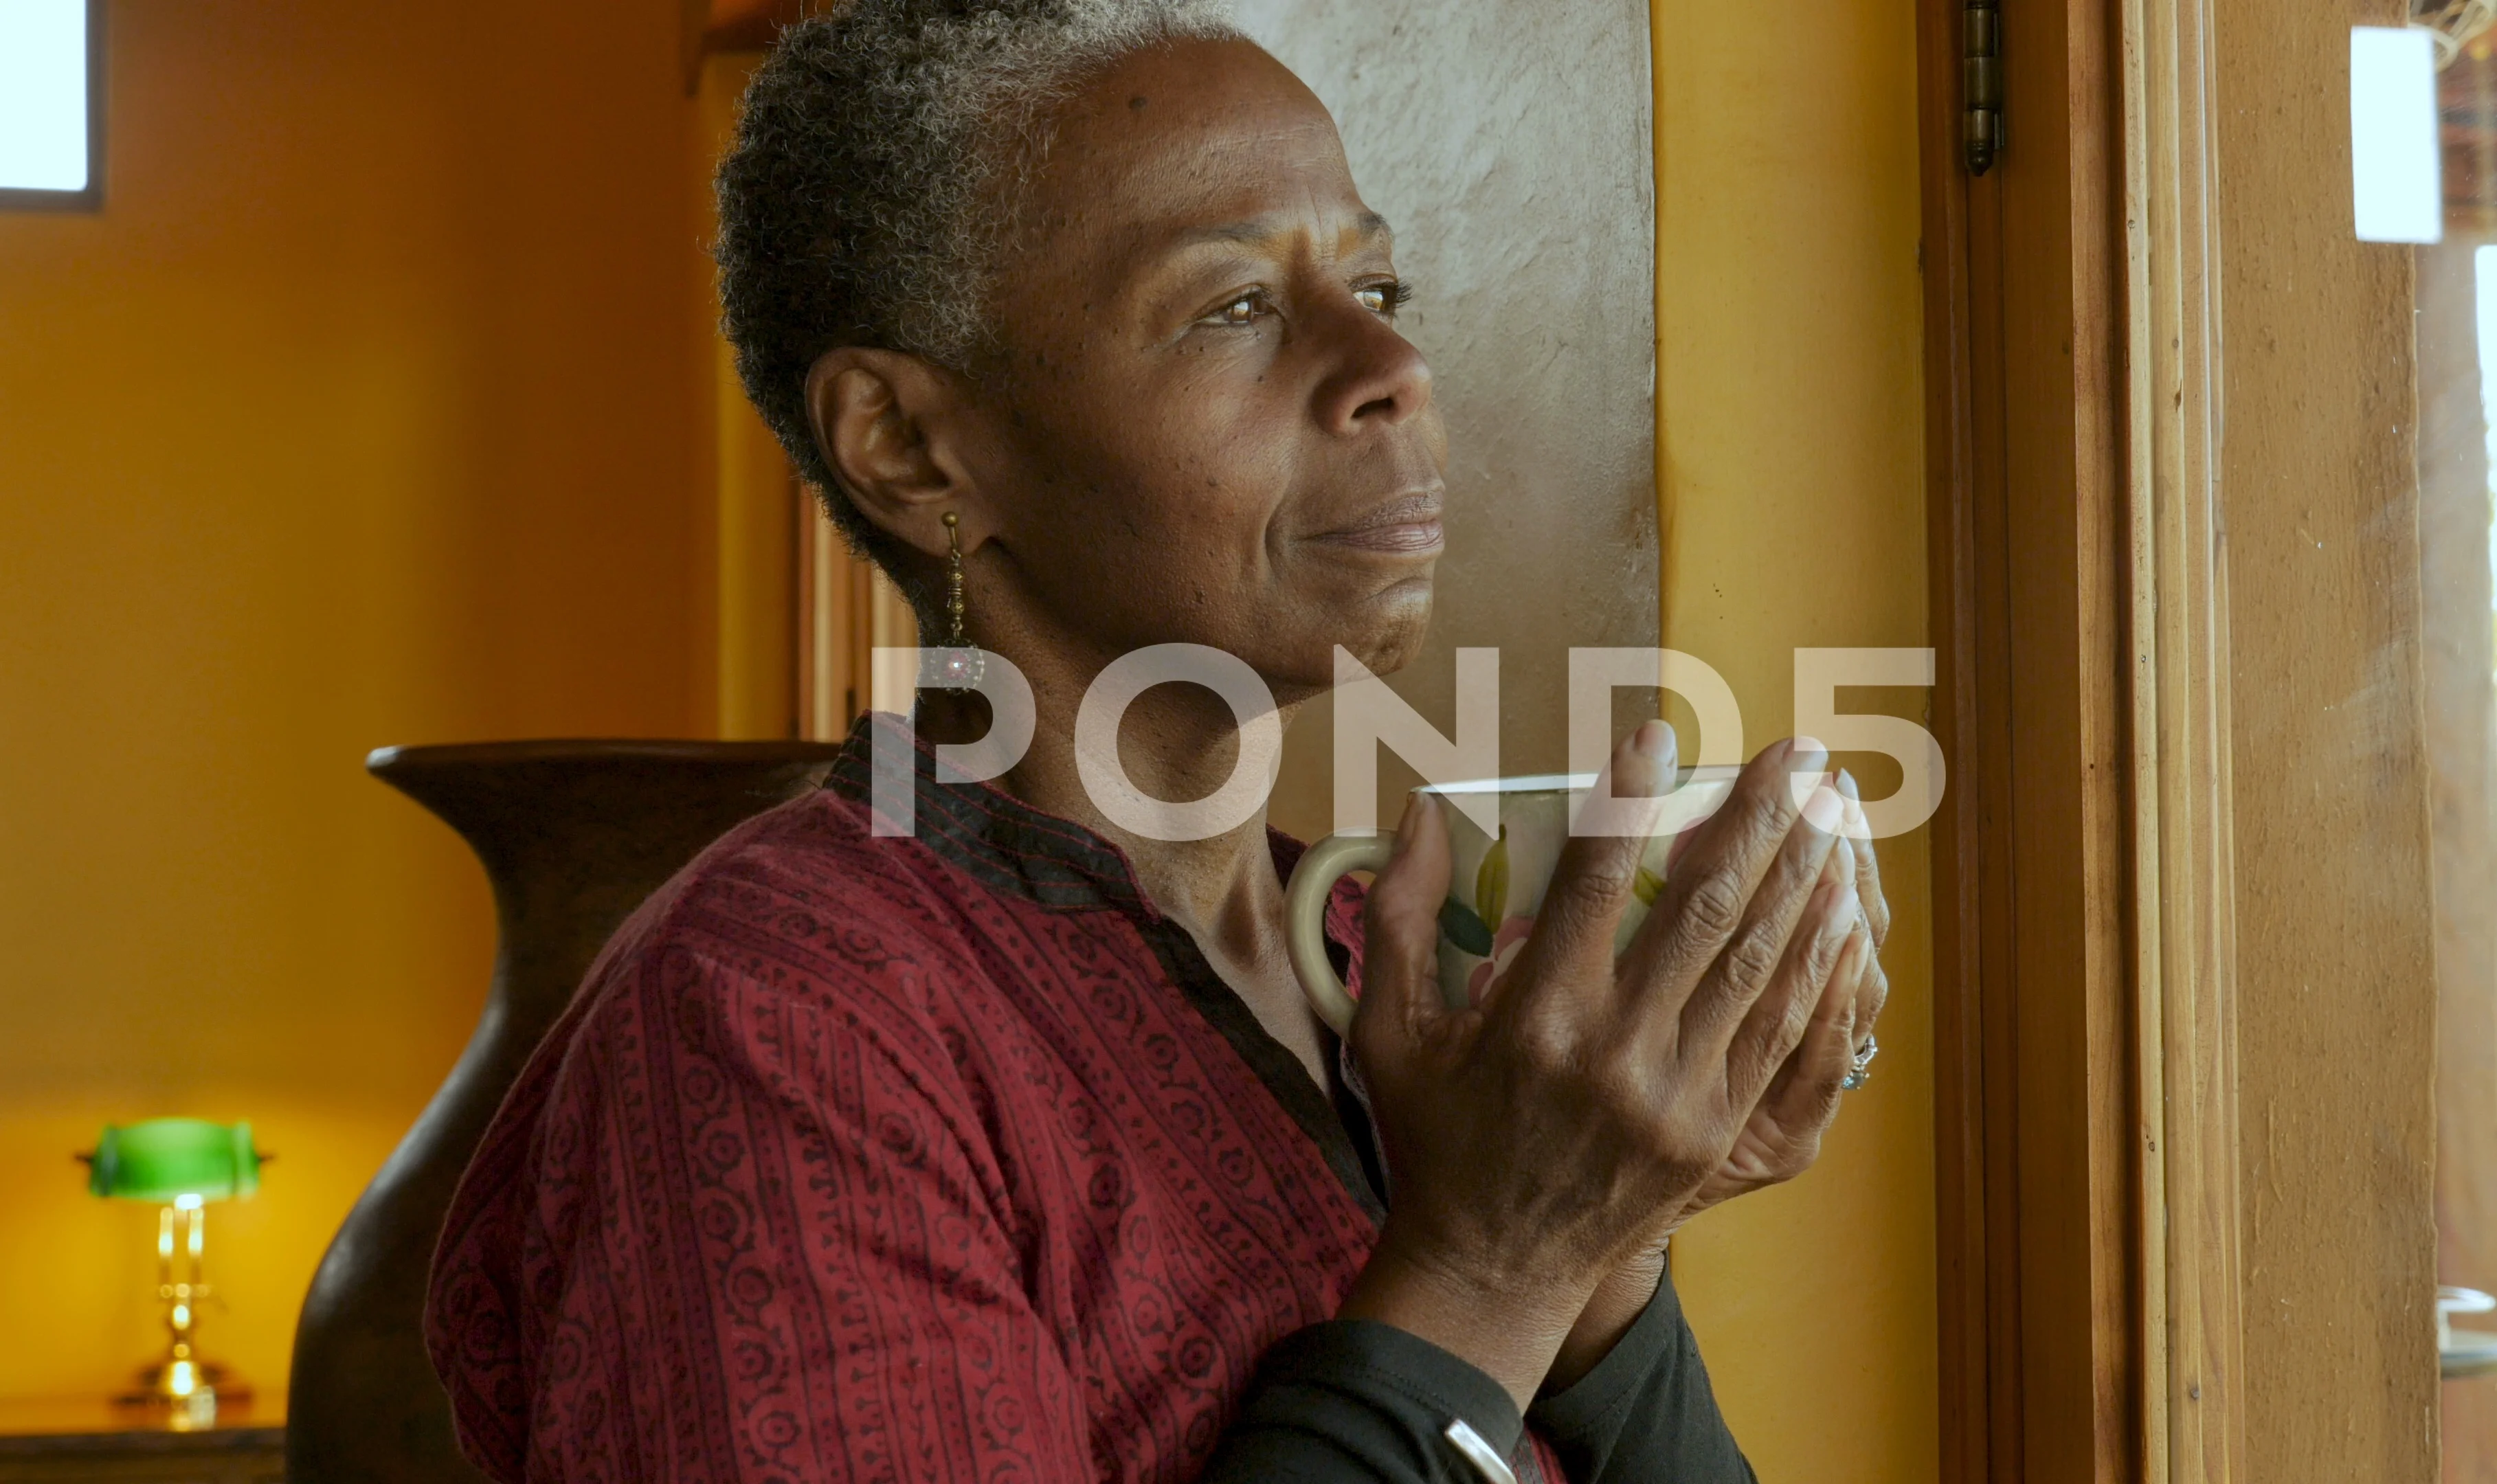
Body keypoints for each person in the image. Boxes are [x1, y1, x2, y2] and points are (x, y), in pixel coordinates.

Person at [425, 2, 1892, 1481]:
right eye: (1233, 307)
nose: (1392, 363)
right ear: (911, 448)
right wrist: (1502, 1263)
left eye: (1380, 281)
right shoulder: (779, 1024)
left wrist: (1606, 1254)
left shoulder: (1387, 955)